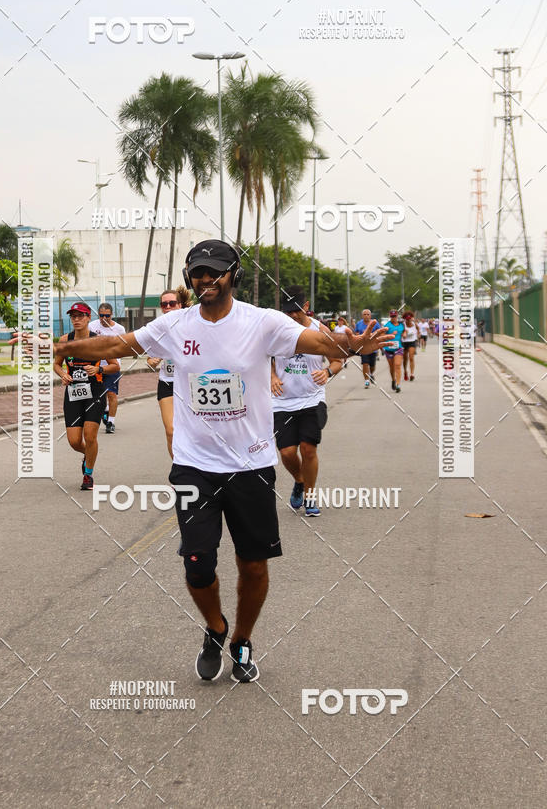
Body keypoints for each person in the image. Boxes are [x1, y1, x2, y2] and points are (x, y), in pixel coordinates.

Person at [54, 240, 392, 683]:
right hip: (195, 465)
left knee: (253, 564)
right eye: (197, 272)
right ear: (189, 276)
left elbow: (314, 339)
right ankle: (215, 628)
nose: (204, 279)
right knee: (197, 561)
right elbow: (118, 345)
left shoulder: (261, 322)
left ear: (233, 274)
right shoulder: (176, 325)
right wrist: (66, 351)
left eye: (214, 271)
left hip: (250, 464)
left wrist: (349, 343)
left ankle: (242, 640)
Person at [270, 287, 343, 517]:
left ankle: (310, 496)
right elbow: (264, 358)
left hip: (312, 398)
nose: (292, 315)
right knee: (288, 453)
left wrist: (328, 372)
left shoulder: (318, 329)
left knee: (308, 448)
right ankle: (300, 481)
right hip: (282, 402)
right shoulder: (276, 330)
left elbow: (338, 359)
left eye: (296, 310)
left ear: (306, 306)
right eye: (288, 311)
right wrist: (272, 376)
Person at [54, 302, 119, 491]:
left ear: (88, 317)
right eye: (73, 316)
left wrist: (98, 368)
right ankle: (89, 454)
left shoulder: (98, 340)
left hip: (95, 392)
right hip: (74, 393)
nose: (76, 319)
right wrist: (63, 374)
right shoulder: (65, 340)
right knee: (74, 441)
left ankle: (88, 474)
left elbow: (115, 366)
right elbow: (57, 364)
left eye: (80, 316)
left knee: (90, 436)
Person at [147, 287, 192, 459]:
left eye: (171, 303)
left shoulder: (191, 326)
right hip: (167, 382)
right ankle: (179, 470)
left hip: (190, 383)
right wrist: (153, 361)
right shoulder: (158, 330)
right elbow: (150, 360)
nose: (167, 307)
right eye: (164, 304)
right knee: (171, 431)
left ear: (180, 305)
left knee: (194, 431)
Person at [89, 302, 126, 434]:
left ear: (112, 315)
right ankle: (105, 411)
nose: (104, 318)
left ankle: (111, 422)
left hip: (112, 367)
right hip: (96, 366)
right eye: (101, 315)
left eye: (107, 316)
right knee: (99, 395)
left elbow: (123, 347)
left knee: (111, 394)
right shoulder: (92, 326)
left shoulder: (119, 329)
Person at [355, 308, 381, 388]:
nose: (366, 316)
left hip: (373, 347)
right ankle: (366, 380)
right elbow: (356, 334)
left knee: (372, 366)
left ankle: (371, 374)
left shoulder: (375, 323)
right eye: (364, 314)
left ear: (370, 315)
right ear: (362, 316)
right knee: (365, 364)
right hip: (363, 348)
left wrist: (374, 335)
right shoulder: (359, 324)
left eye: (368, 314)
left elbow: (379, 333)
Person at [383, 309, 405, 393]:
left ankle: (398, 385)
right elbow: (382, 335)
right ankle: (393, 380)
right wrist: (391, 335)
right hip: (389, 349)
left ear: (397, 316)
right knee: (392, 368)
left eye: (394, 316)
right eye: (392, 316)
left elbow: (404, 331)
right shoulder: (387, 325)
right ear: (390, 316)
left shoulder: (401, 325)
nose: (393, 318)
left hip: (398, 348)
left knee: (397, 365)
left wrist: (404, 334)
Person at [401, 311, 419, 381]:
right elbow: (401, 333)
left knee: (411, 357)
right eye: (407, 319)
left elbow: (418, 330)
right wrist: (403, 334)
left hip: (412, 341)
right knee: (405, 358)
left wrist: (418, 335)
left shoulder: (415, 324)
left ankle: (412, 374)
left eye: (409, 319)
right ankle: (405, 371)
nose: (408, 320)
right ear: (405, 319)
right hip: (404, 342)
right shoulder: (403, 325)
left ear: (411, 318)